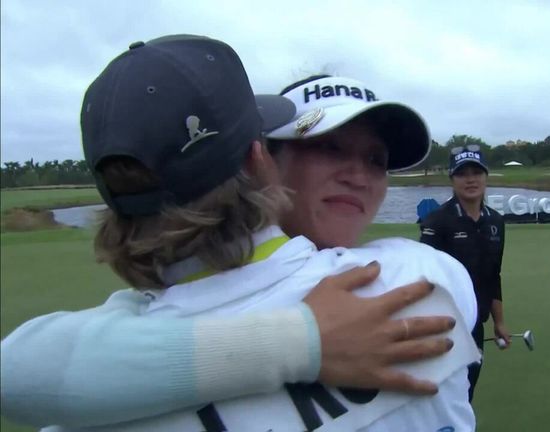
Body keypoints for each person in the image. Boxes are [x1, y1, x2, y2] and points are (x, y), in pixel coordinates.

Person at [6, 36, 479, 431]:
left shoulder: (92, 397)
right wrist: (302, 340)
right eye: (328, 147)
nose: (359, 176)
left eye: (377, 160)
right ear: (263, 163)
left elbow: (26, 368)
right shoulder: (422, 275)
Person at [419, 146, 509, 402]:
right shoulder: (437, 221)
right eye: (462, 174)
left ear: (486, 176)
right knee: (441, 396)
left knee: (467, 392)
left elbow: (494, 275)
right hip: (443, 325)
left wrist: (499, 321)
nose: (470, 179)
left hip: (476, 325)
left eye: (476, 172)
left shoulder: (496, 221)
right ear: (452, 179)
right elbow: (424, 278)